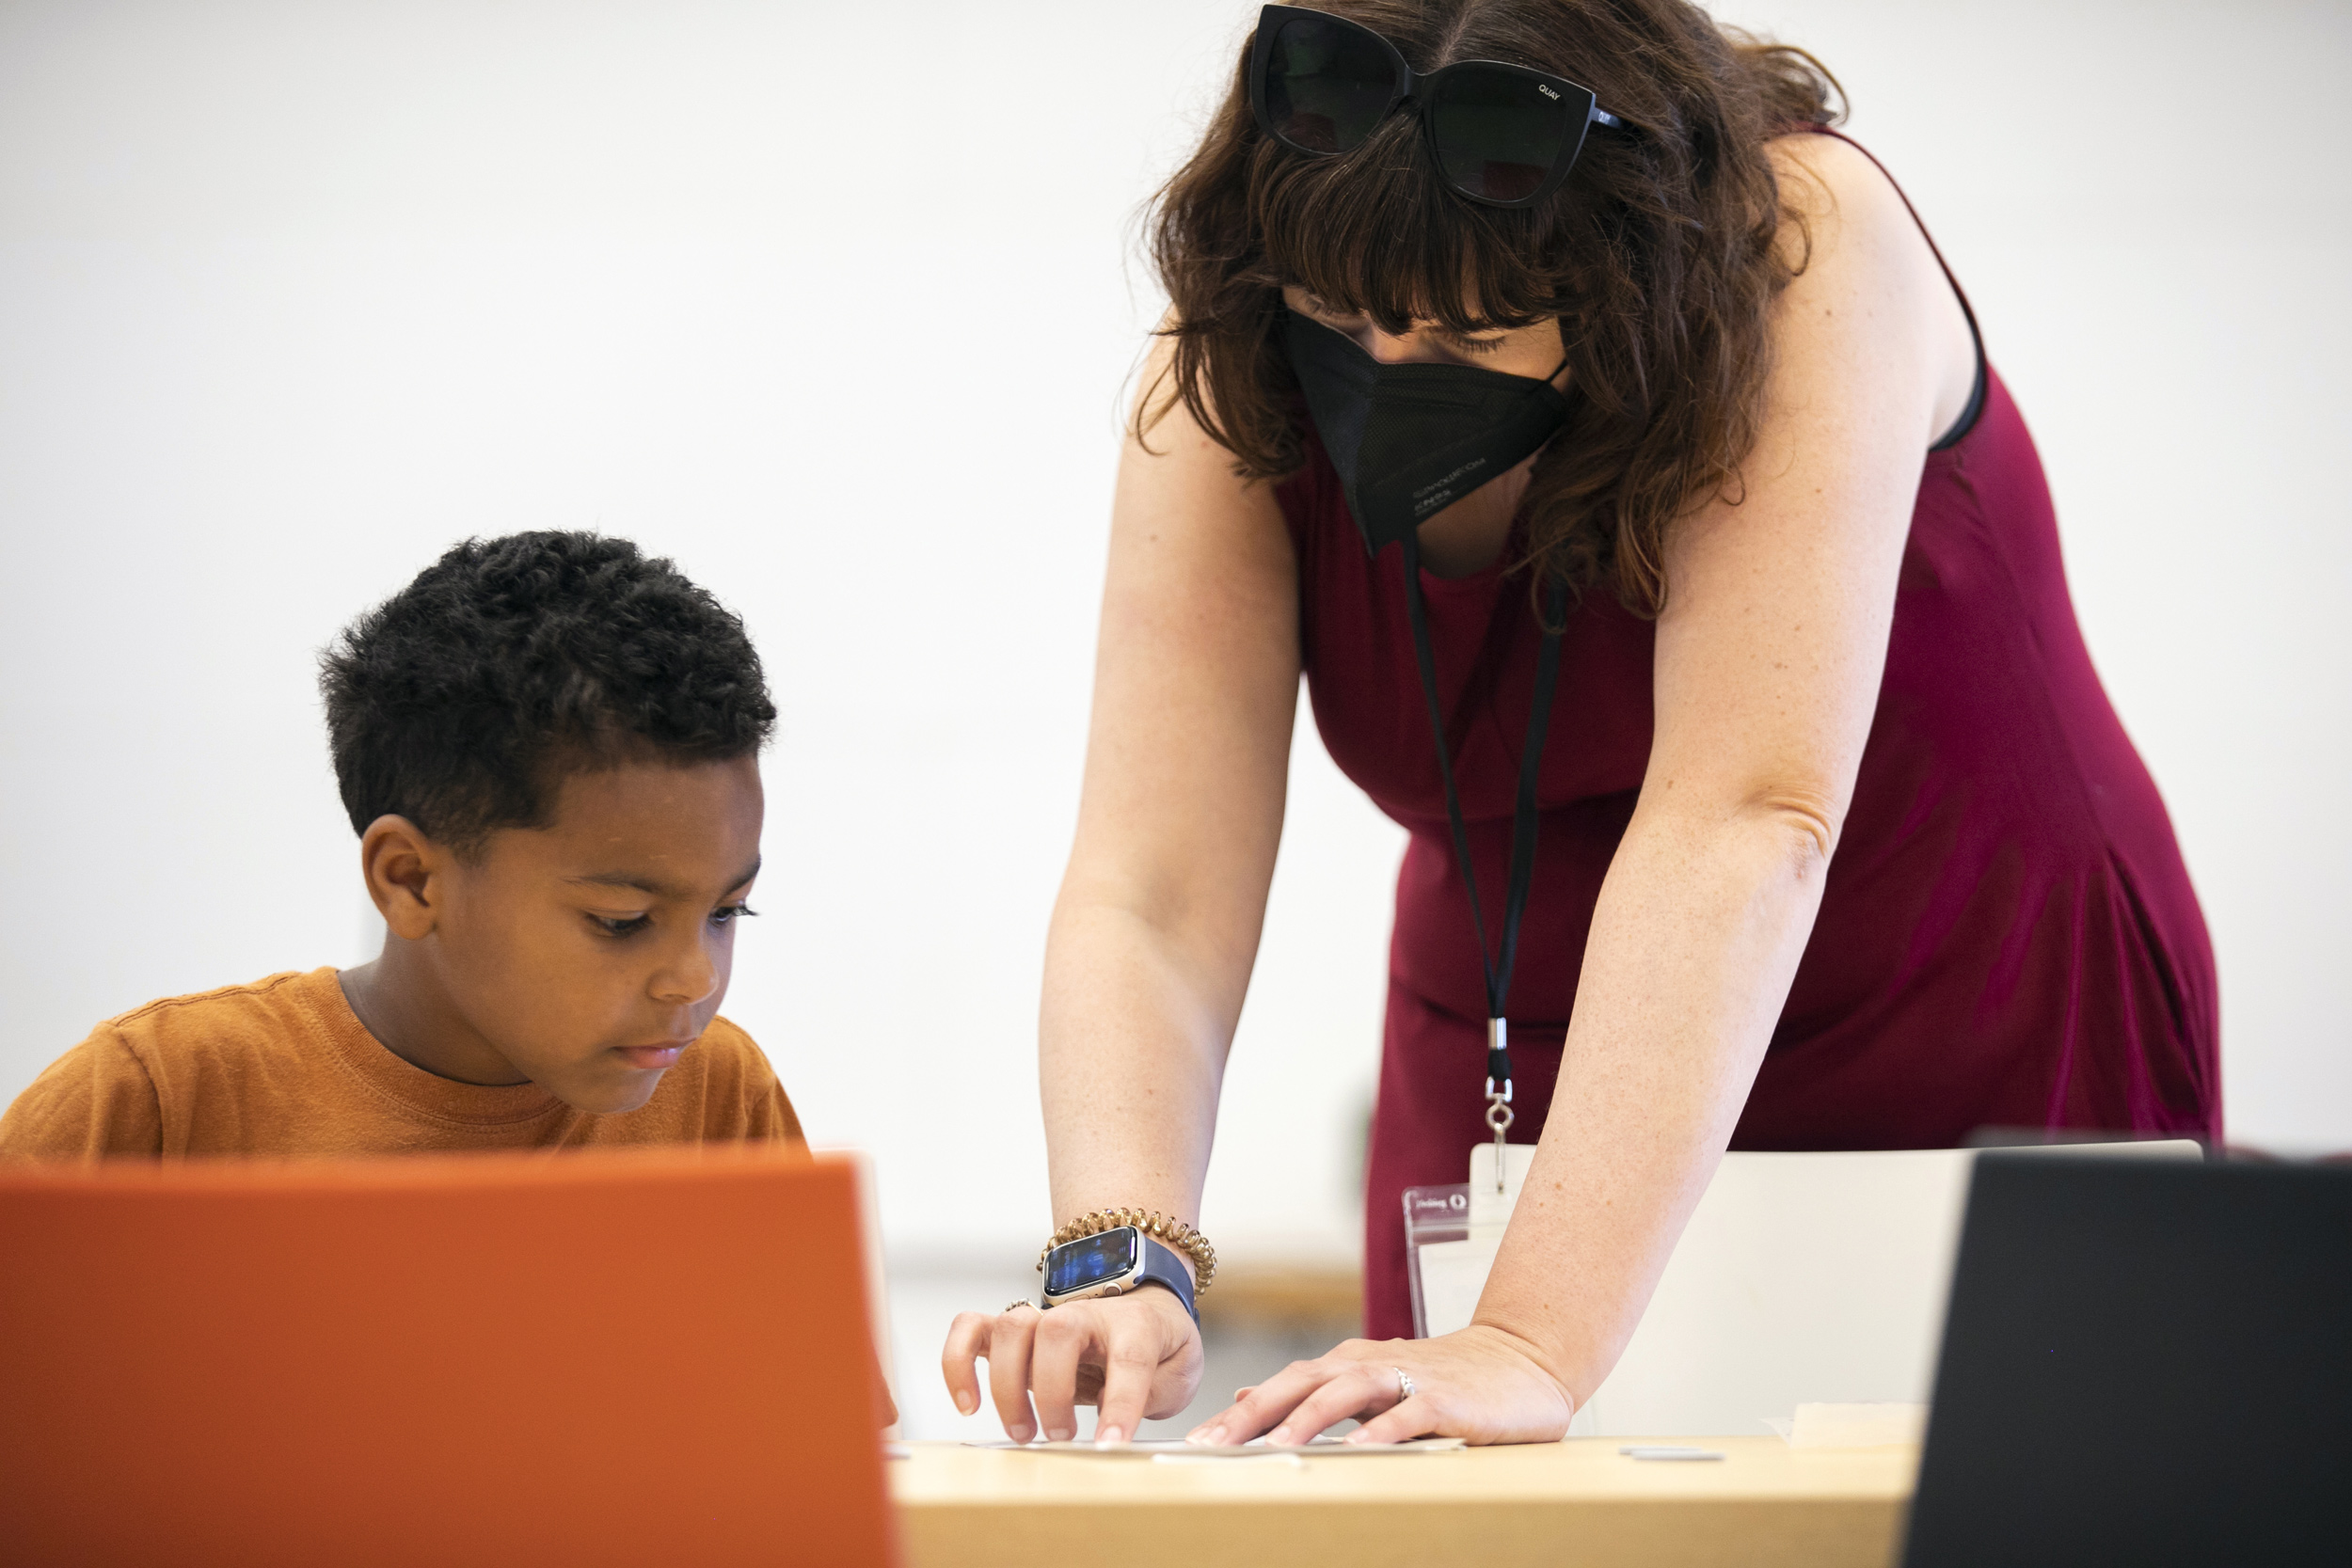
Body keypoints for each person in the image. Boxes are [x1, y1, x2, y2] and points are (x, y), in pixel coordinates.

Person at [944, 0, 2216, 1449]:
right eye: (1344, 317)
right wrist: (1126, 1252)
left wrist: (1530, 1332)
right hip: (1510, 1017)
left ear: (1622, 279)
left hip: (1942, 979)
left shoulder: (1795, 246)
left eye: (1474, 327)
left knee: (2009, 1482)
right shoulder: (1250, 321)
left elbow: (1745, 817)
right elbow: (1151, 887)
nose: (1392, 358)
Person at [0, 531, 802, 1160]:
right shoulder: (159, 1102)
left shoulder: (720, 1100)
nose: (697, 979)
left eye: (730, 910)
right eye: (623, 920)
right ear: (412, 880)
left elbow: (810, 1376)